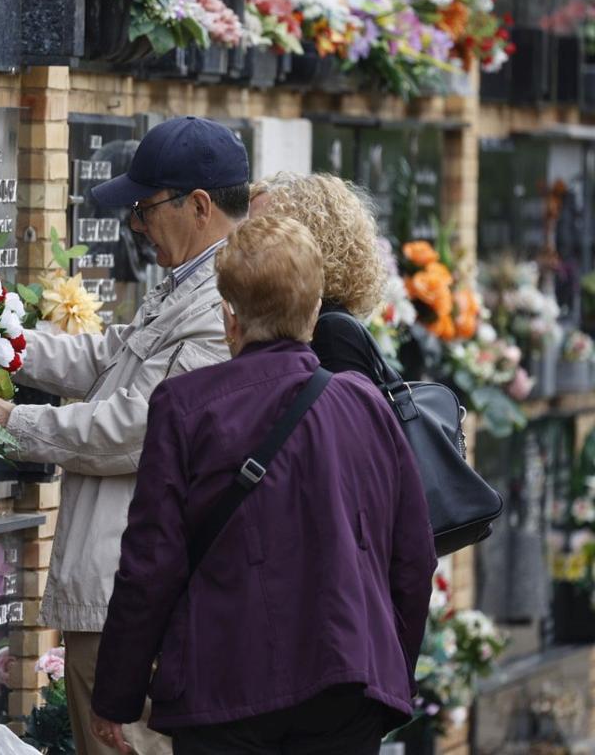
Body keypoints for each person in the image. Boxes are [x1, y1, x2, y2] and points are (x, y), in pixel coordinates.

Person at [90, 215, 436, 755]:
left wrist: (116, 696)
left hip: (223, 688)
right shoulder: (364, 403)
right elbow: (414, 557)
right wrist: (391, 674)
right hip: (345, 684)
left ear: (229, 316)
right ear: (316, 311)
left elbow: (150, 565)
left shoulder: (185, 408)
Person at [0, 116, 250, 755]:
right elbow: (107, 356)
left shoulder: (220, 304)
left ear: (199, 206)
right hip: (112, 591)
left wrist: (12, 420)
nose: (135, 225)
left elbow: (138, 429)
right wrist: (4, 342)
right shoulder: (191, 282)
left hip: (128, 595)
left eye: (146, 208)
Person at [250, 172, 388, 383]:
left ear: (308, 240)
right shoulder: (303, 319)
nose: (244, 245)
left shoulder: (331, 331)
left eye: (262, 233)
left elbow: (343, 413)